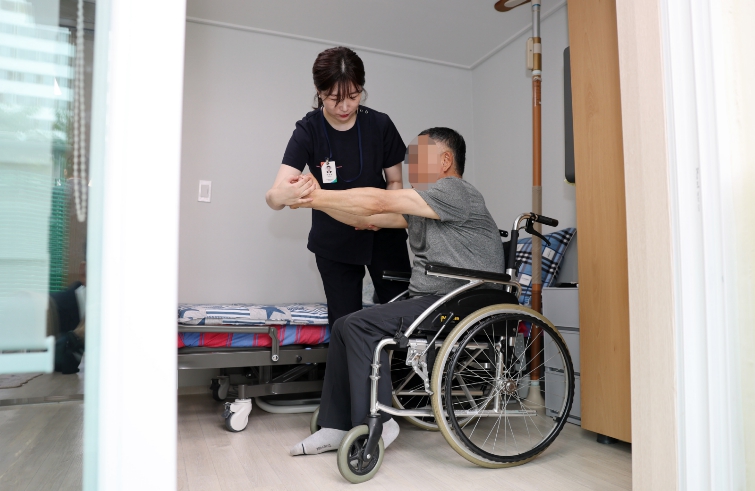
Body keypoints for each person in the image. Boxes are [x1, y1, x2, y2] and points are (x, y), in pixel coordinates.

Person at [287, 127, 505, 455]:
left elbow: (378, 199)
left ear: (446, 161)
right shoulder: (425, 205)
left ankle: (379, 420)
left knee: (358, 325)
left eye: (417, 158)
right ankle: (335, 425)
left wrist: (315, 196)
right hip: (435, 302)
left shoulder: (455, 190)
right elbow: (366, 216)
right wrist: (311, 201)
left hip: (459, 303)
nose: (409, 165)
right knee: (343, 324)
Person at [265, 46, 410, 327]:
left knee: (403, 318)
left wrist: (381, 218)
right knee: (345, 325)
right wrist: (286, 194)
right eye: (335, 99)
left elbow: (395, 182)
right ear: (319, 92)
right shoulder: (308, 130)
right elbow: (273, 198)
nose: (345, 107)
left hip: (383, 234)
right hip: (334, 240)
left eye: (354, 96)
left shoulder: (380, 124)